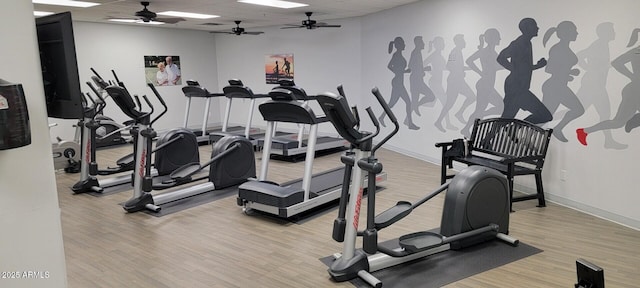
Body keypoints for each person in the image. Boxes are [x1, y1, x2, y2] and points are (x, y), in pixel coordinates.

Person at [577, 28, 640, 146]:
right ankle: (633, 120)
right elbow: (616, 63)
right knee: (617, 123)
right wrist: (632, 76)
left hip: (633, 90)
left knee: (617, 123)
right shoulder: (636, 52)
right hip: (635, 91)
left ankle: (585, 131)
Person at [497, 18, 552, 124]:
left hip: (518, 87)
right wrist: (514, 70)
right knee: (545, 115)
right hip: (516, 88)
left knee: (504, 120)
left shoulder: (527, 43)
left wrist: (537, 66)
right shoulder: (519, 43)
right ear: (527, 28)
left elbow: (524, 68)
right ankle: (513, 127)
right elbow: (501, 58)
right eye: (534, 25)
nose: (537, 28)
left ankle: (510, 128)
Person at [541, 21, 584, 142]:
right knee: (544, 117)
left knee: (578, 109)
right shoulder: (558, 48)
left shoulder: (563, 48)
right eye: (574, 30)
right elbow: (549, 68)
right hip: (554, 87)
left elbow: (559, 69)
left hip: (559, 86)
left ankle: (558, 128)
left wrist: (569, 73)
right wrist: (567, 74)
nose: (577, 33)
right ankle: (519, 131)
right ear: (567, 33)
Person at [462, 28, 504, 137]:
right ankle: (467, 128)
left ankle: (467, 127)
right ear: (492, 39)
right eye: (497, 37)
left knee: (499, 107)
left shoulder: (493, 52)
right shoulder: (484, 51)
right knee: (484, 109)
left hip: (488, 85)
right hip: (484, 85)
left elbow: (495, 67)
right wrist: (480, 72)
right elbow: (469, 60)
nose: (499, 39)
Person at [435, 34, 476, 132]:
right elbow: (449, 65)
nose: (464, 42)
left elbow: (456, 66)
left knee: (471, 97)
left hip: (459, 81)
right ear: (458, 42)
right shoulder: (454, 52)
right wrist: (459, 71)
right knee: (450, 103)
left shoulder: (458, 52)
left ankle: (459, 113)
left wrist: (464, 69)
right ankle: (439, 121)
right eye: (463, 40)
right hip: (454, 81)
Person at [378, 37, 418, 130]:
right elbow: (389, 66)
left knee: (392, 103)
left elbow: (392, 67)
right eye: (403, 43)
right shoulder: (396, 55)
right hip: (397, 83)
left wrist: (402, 71)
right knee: (408, 102)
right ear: (399, 45)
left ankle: (382, 117)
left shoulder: (398, 55)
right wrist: (403, 72)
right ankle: (410, 124)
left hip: (399, 82)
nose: (405, 45)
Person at [408, 36, 435, 117]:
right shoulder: (415, 52)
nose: (424, 44)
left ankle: (416, 107)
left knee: (430, 96)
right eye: (422, 42)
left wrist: (423, 69)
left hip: (418, 80)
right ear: (418, 43)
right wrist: (423, 69)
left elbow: (416, 67)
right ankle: (409, 119)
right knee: (430, 96)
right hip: (415, 81)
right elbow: (410, 66)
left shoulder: (418, 53)